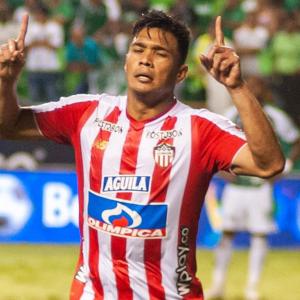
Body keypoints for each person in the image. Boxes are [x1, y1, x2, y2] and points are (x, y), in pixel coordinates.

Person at [0, 10, 284, 300]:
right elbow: (7, 125)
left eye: (160, 53)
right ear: (126, 62)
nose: (146, 59)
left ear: (181, 73)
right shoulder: (86, 112)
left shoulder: (201, 129)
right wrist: (6, 82)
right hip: (91, 293)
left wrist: (236, 87)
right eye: (138, 49)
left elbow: (269, 163)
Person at [206, 76, 300, 300]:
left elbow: (296, 140)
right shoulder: (231, 113)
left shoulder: (276, 116)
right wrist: (219, 170)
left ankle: (252, 287)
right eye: (252, 84)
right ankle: (218, 285)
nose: (255, 88)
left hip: (260, 186)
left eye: (259, 84)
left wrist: (285, 168)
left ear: (264, 89)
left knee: (260, 233)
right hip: (236, 186)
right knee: (227, 232)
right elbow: (212, 138)